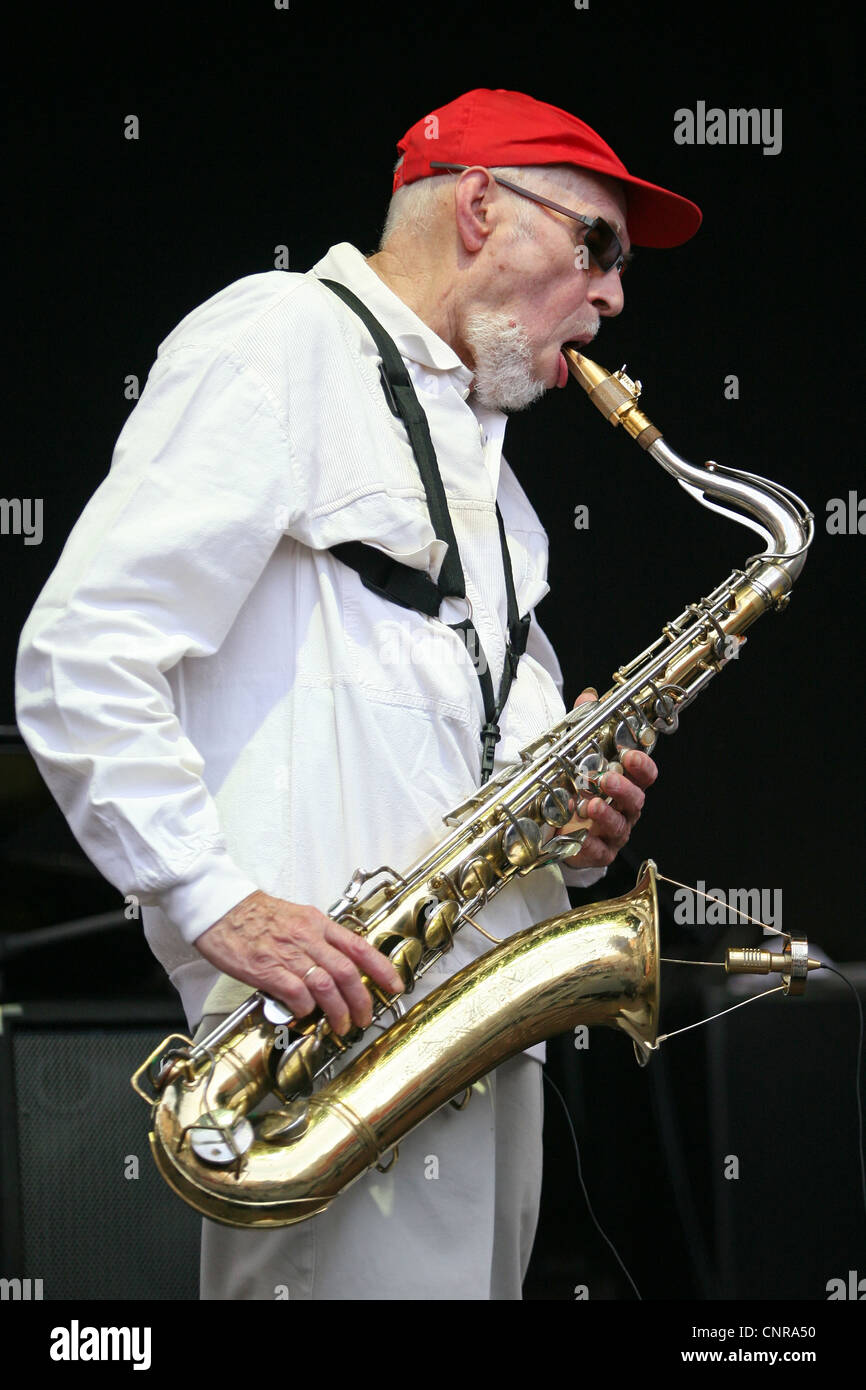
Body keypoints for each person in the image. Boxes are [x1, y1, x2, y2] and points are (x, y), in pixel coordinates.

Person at [15, 87, 701, 1300]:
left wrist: (571, 821)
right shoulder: (282, 337)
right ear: (482, 203)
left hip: (464, 1040)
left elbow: (468, 717)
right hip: (326, 1050)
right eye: (596, 246)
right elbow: (82, 653)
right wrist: (208, 893)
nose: (611, 298)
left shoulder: (492, 476)